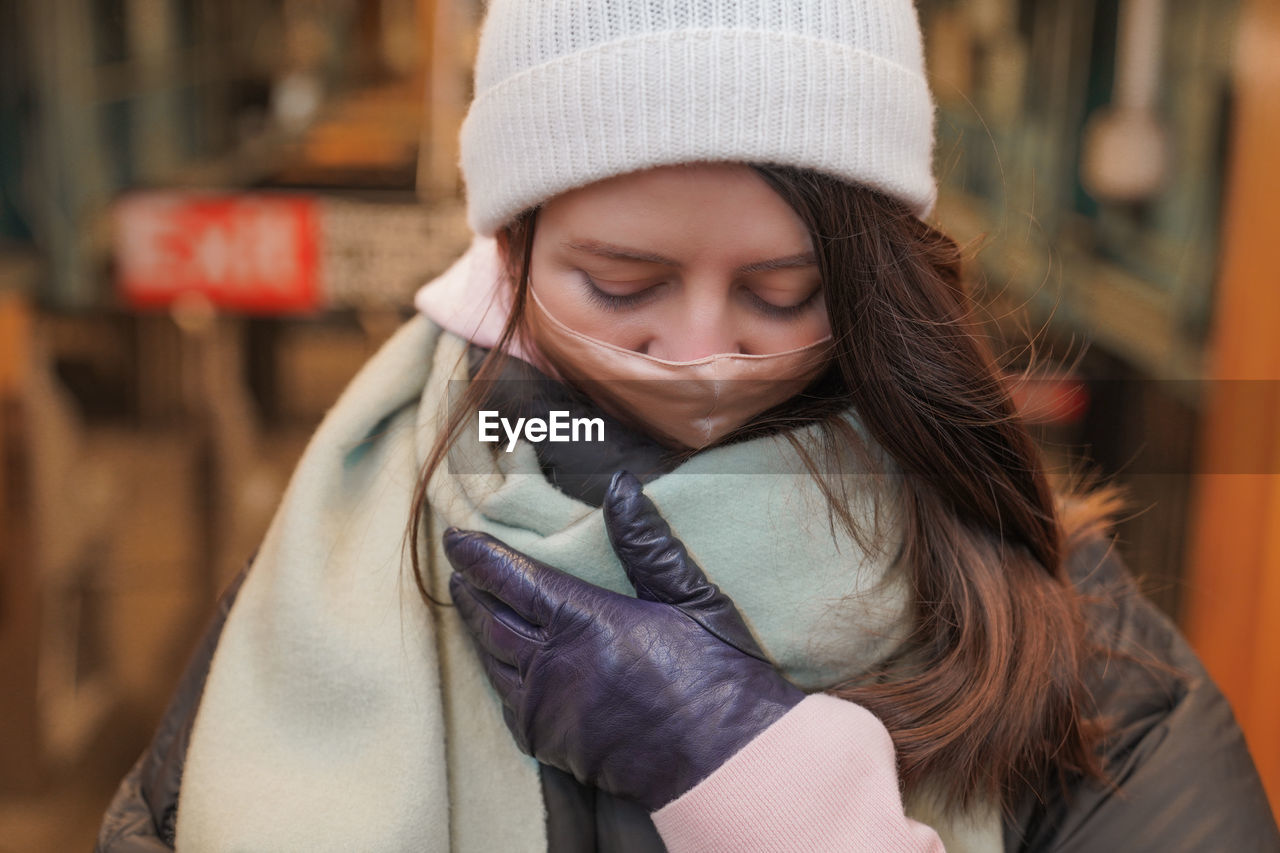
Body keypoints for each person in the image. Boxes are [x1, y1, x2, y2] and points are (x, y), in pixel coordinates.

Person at [96, 1, 1280, 851]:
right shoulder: (347, 560)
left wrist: (760, 788)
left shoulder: (1055, 622)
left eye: (782, 292)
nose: (703, 348)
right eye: (621, 284)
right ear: (508, 251)